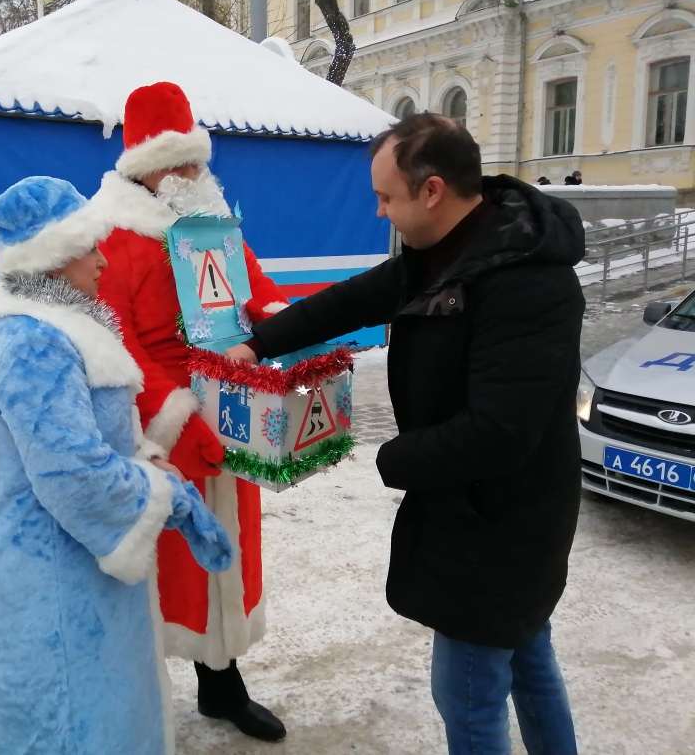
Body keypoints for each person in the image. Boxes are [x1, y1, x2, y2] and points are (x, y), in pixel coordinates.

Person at [227, 114, 585, 755]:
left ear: (433, 190)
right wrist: (257, 346)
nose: (377, 212)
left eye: (386, 197)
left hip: (501, 525)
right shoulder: (441, 255)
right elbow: (348, 302)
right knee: (529, 662)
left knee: (470, 699)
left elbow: (500, 432)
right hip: (479, 510)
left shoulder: (526, 280)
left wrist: (395, 456)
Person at [0, 176, 234, 755]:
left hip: (77, 568)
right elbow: (73, 472)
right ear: (55, 258)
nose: (103, 260)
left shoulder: (67, 325)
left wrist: (148, 459)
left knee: (103, 714)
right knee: (70, 725)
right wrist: (158, 490)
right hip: (47, 579)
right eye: (90, 247)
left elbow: (97, 435)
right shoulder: (35, 342)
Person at [92, 82, 290, 743]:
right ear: (145, 165)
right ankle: (136, 702)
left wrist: (283, 323)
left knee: (220, 556)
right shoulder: (111, 234)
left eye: (196, 162)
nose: (194, 175)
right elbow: (111, 339)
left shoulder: (209, 221)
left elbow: (253, 287)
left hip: (228, 408)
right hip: (158, 427)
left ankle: (221, 687)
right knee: (157, 570)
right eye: (180, 164)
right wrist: (176, 417)